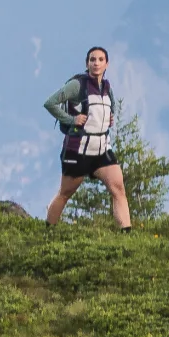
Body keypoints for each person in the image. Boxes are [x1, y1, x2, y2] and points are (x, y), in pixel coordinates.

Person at [42, 45, 132, 229]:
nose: (96, 63)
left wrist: (110, 117)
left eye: (100, 59)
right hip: (78, 149)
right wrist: (71, 119)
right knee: (65, 193)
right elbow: (50, 103)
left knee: (118, 188)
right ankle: (47, 232)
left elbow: (110, 107)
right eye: (92, 59)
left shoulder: (106, 87)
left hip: (102, 149)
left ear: (107, 64)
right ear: (87, 63)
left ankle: (126, 236)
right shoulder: (77, 85)